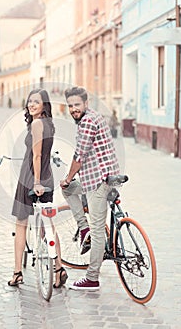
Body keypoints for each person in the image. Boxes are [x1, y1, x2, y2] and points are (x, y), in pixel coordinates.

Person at [60, 86, 119, 291]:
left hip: (98, 180)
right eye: (70, 106)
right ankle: (83, 228)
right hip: (107, 175)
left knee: (96, 228)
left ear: (86, 103)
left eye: (77, 104)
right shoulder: (95, 116)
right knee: (69, 190)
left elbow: (79, 156)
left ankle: (92, 278)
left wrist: (67, 177)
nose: (74, 109)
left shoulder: (86, 122)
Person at [8, 88, 68, 288]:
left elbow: (36, 155)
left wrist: (35, 182)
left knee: (21, 223)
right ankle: (59, 268)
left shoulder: (36, 124)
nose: (32, 105)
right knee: (48, 224)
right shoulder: (50, 123)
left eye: (36, 101)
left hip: (31, 179)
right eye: (30, 101)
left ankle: (17, 272)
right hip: (48, 177)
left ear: (44, 104)